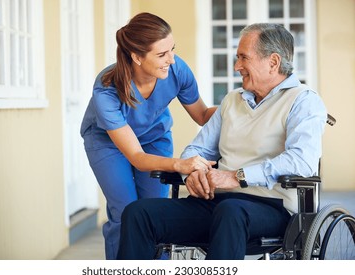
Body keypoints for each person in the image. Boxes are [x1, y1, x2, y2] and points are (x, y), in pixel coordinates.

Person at [117, 23, 327, 260]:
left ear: (273, 62)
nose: (237, 66)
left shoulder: (303, 101)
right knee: (138, 213)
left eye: (243, 58)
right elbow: (197, 148)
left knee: (230, 211)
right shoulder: (232, 101)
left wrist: (237, 176)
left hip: (272, 207)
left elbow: (302, 161)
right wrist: (192, 173)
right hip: (217, 203)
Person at [80, 12, 216, 260]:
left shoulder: (177, 70)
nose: (171, 60)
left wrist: (241, 106)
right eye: (162, 54)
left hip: (154, 137)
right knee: (126, 211)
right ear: (137, 57)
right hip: (107, 143)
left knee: (155, 212)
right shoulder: (107, 89)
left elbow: (204, 115)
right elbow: (136, 156)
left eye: (172, 50)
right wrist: (179, 163)